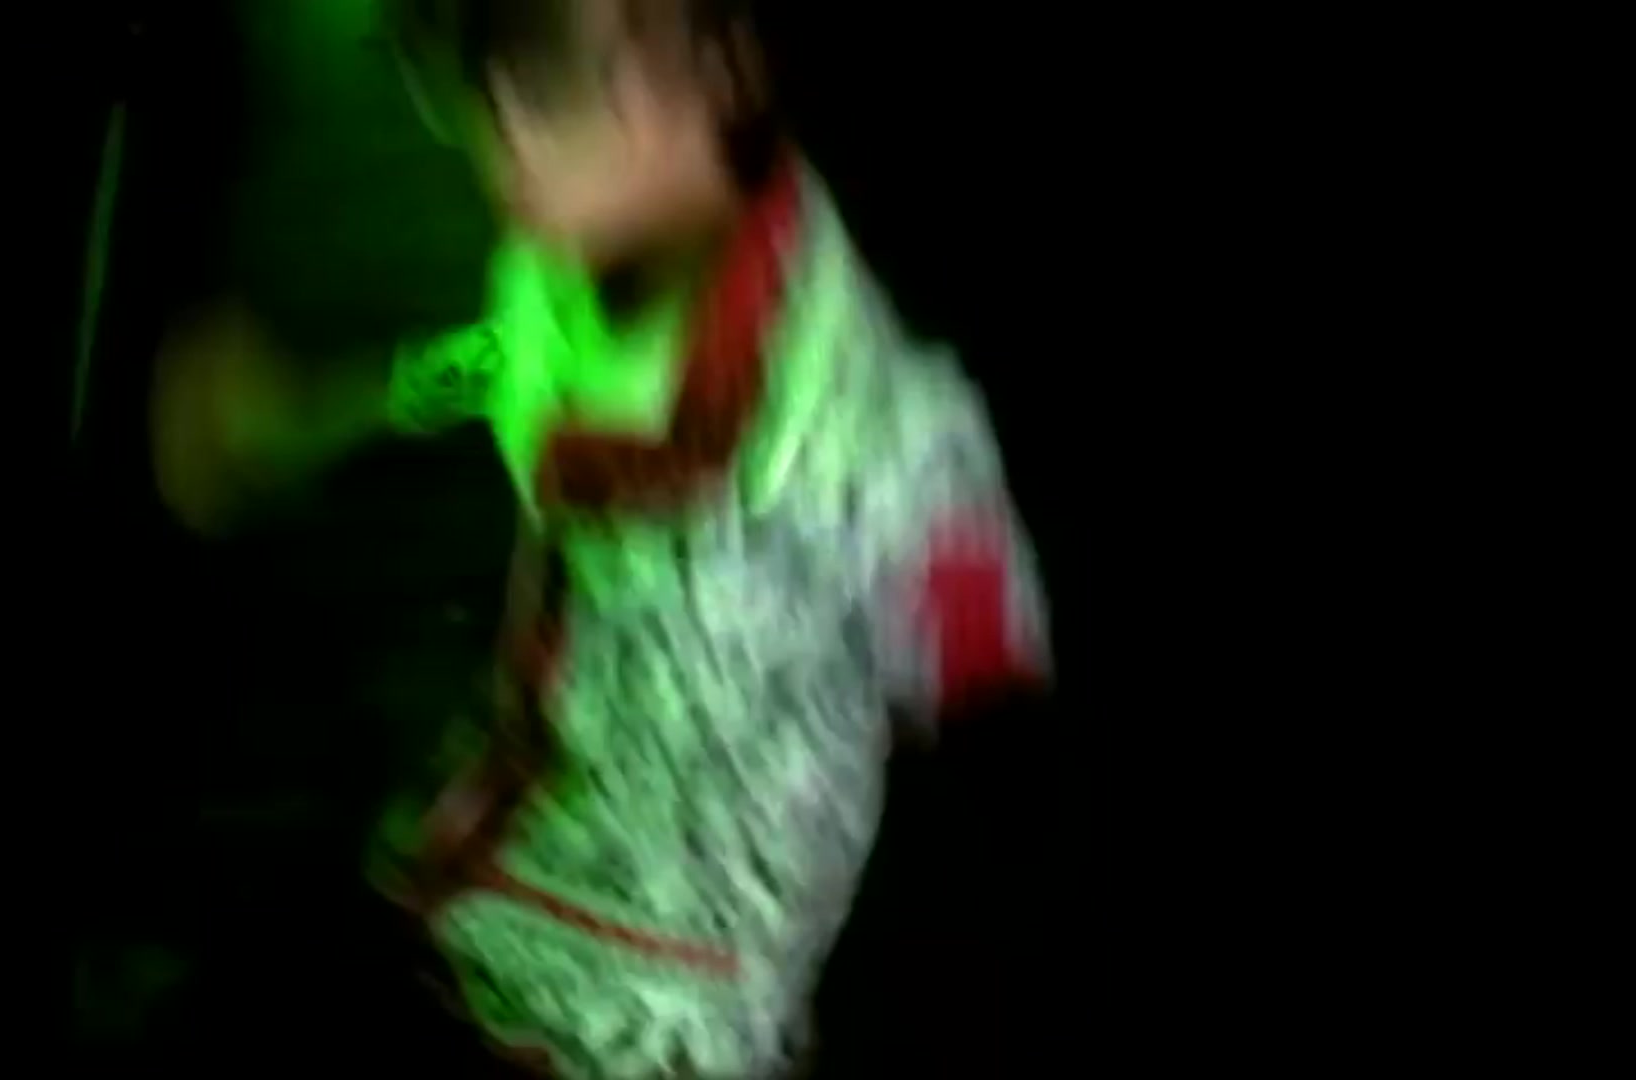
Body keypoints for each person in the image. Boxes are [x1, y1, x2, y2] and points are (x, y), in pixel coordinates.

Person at [150, 1, 1051, 1075]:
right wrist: (307, 422)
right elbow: (502, 358)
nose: (500, 119)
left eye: (547, 63)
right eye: (481, 57)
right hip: (458, 888)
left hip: (642, 1024)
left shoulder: (880, 455)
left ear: (723, 65)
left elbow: (996, 727)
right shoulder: (560, 262)